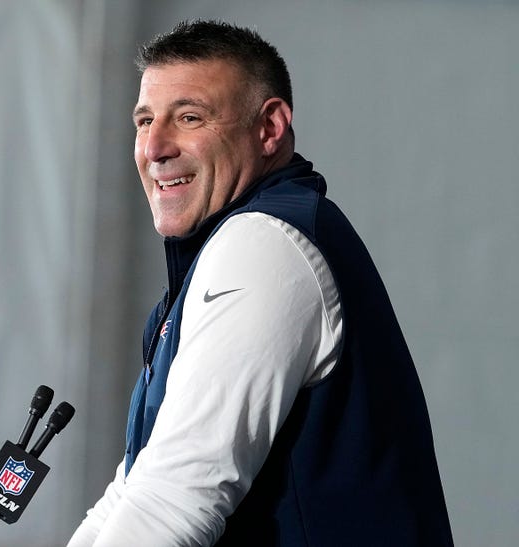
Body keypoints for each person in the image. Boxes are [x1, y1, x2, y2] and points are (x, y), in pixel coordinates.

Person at [68, 20, 453, 546]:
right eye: (144, 121)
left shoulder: (262, 246)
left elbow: (171, 505)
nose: (154, 147)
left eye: (189, 117)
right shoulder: (234, 248)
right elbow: (138, 484)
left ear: (269, 128)